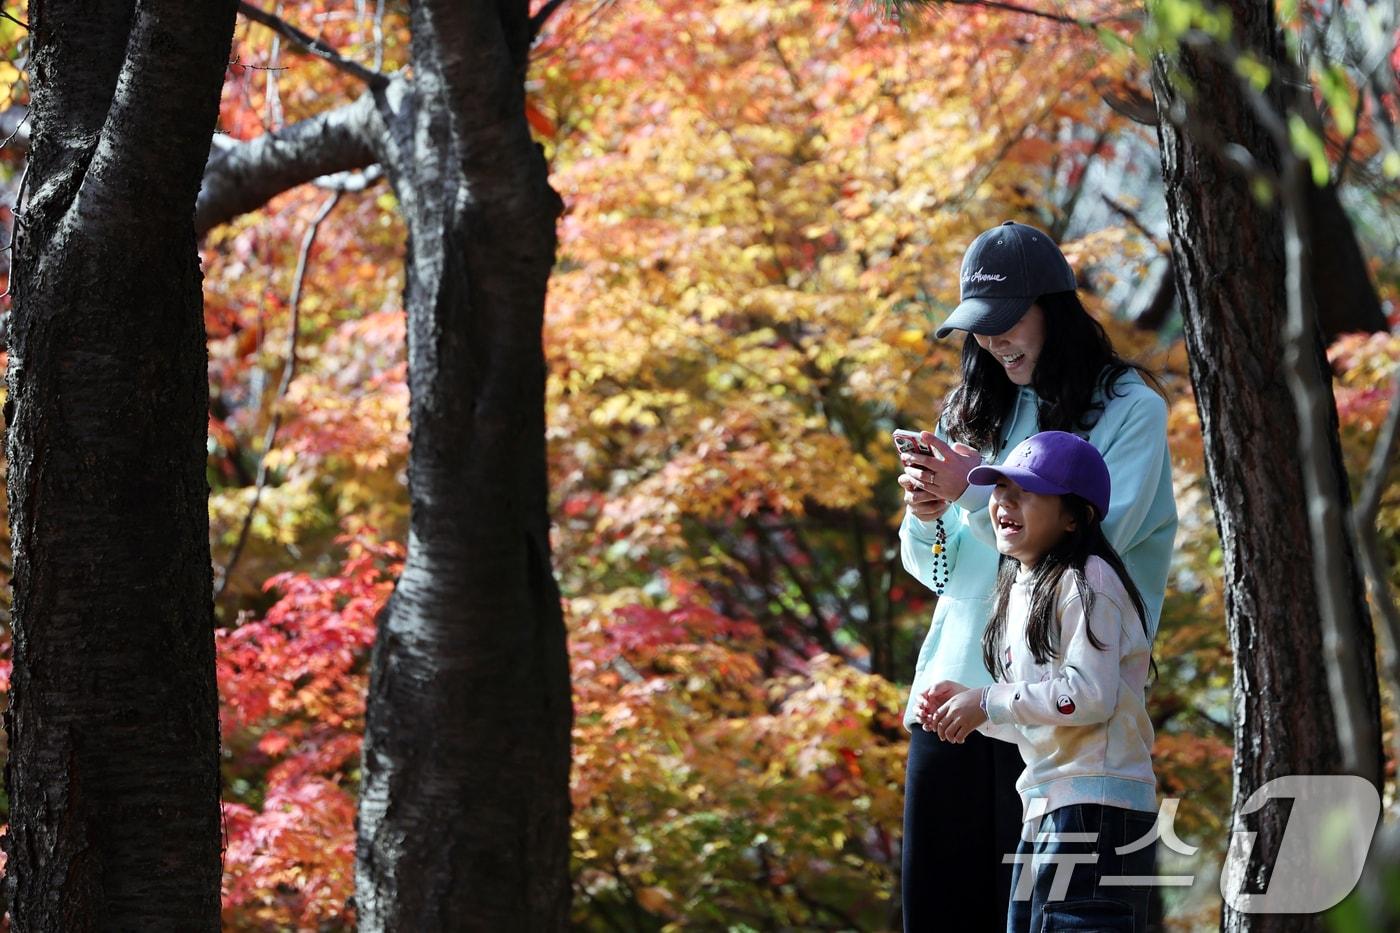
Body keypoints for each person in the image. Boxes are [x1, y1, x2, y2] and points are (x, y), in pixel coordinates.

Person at [896, 220, 1176, 931]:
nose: (991, 342)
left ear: (1055, 304)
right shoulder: (979, 409)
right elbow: (950, 578)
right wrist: (930, 513)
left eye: (1006, 321)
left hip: (1067, 724)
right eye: (979, 328)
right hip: (956, 695)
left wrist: (969, 494)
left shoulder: (1128, 410)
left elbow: (1091, 545)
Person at [919, 430, 1159, 933]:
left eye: (1026, 492)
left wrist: (988, 700)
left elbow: (1089, 698)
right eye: (1000, 489)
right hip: (1049, 800)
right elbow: (1046, 716)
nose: (1005, 502)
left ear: (1074, 516)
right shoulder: (1022, 588)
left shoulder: (1086, 579)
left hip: (1097, 803)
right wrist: (969, 712)